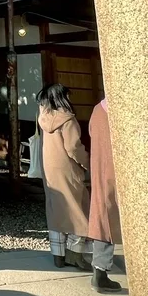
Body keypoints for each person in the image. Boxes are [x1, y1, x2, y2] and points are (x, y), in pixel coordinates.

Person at [38, 83, 91, 270]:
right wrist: (88, 163)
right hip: (68, 169)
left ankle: (58, 256)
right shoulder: (67, 120)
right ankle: (75, 255)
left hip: (50, 169)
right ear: (62, 97)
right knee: (79, 209)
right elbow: (73, 148)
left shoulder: (44, 117)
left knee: (56, 210)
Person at [86, 98, 123, 293]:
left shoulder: (97, 110)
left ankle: (99, 271)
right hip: (118, 170)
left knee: (102, 214)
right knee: (114, 217)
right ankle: (100, 274)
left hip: (100, 167)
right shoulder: (119, 110)